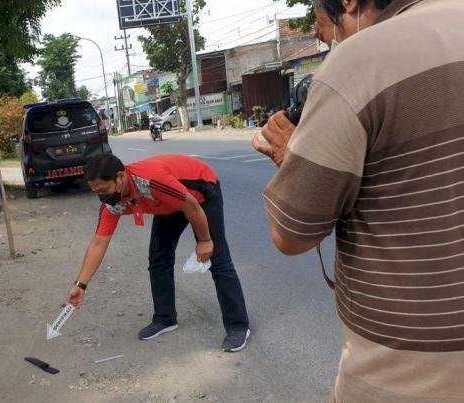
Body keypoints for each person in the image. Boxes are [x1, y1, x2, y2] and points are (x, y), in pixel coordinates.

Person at [252, 0, 464, 401]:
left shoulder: (360, 61)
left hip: (411, 375)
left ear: (348, 3)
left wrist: (289, 157)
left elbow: (292, 234)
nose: (334, 43)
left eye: (325, 31)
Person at [66, 154, 250, 352]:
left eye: (103, 189)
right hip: (168, 204)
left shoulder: (151, 181)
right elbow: (99, 243)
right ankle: (165, 318)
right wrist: (81, 285)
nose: (101, 196)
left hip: (200, 192)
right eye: (95, 192)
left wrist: (205, 241)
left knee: (218, 259)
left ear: (120, 176)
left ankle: (238, 326)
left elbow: (191, 206)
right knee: (158, 260)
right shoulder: (112, 203)